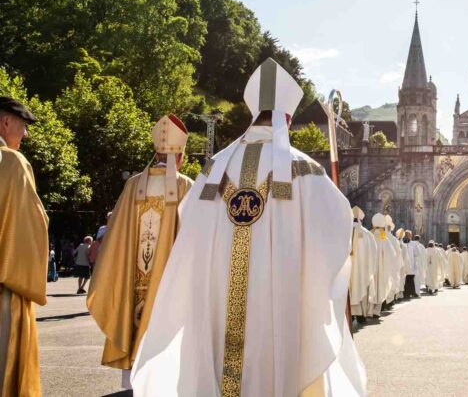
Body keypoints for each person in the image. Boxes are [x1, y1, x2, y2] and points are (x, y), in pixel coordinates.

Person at [131, 59, 365, 396]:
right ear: (288, 116)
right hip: (279, 301)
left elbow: (189, 228)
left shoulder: (214, 168)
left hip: (216, 297)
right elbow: (334, 236)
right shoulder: (304, 169)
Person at [87, 115, 192, 388]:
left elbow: (115, 239)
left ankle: (133, 383)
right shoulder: (185, 186)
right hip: (166, 283)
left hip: (132, 282)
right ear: (179, 156)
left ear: (155, 152)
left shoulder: (133, 185)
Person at [0, 96, 49, 395]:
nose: (26, 134)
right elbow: (31, 226)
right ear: (5, 122)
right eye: (23, 126)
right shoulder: (11, 162)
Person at [349, 206, 377, 319]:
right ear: (361, 219)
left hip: (347, 268)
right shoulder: (367, 234)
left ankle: (349, 314)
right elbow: (373, 252)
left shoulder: (344, 230)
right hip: (362, 267)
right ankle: (361, 314)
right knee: (362, 284)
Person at [369, 213, 398, 316]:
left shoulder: (369, 236)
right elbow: (392, 255)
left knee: (370, 287)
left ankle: (369, 311)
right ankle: (377, 311)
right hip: (382, 270)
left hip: (369, 269)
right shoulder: (384, 239)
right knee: (380, 287)